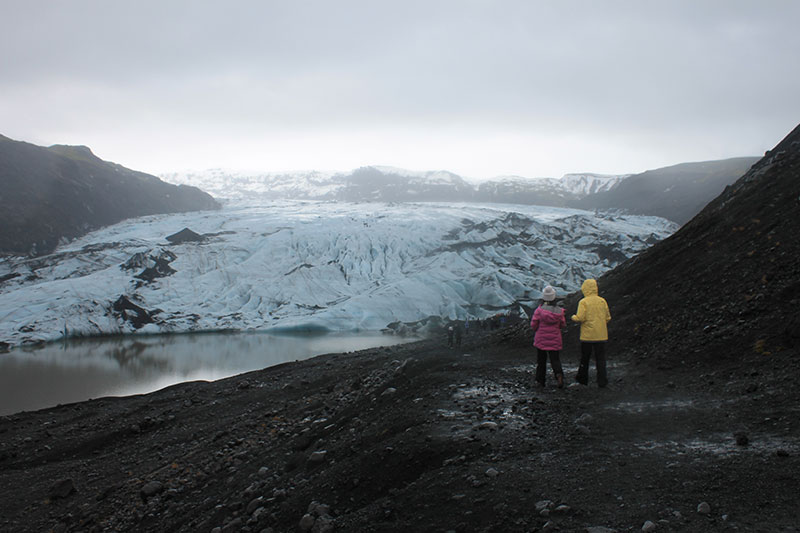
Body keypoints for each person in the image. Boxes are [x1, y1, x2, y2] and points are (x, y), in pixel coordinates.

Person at [571, 278, 611, 387]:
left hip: (587, 336)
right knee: (600, 359)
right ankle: (602, 381)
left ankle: (582, 379)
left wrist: (573, 317)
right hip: (601, 335)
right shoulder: (602, 301)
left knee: (585, 358)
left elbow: (580, 318)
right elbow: (607, 317)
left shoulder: (584, 302)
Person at [530, 285, 566, 388]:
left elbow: (533, 324)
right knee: (555, 359)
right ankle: (559, 375)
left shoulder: (539, 310)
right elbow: (562, 324)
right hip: (555, 339)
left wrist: (536, 329)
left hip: (541, 340)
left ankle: (540, 380)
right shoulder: (560, 311)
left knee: (541, 361)